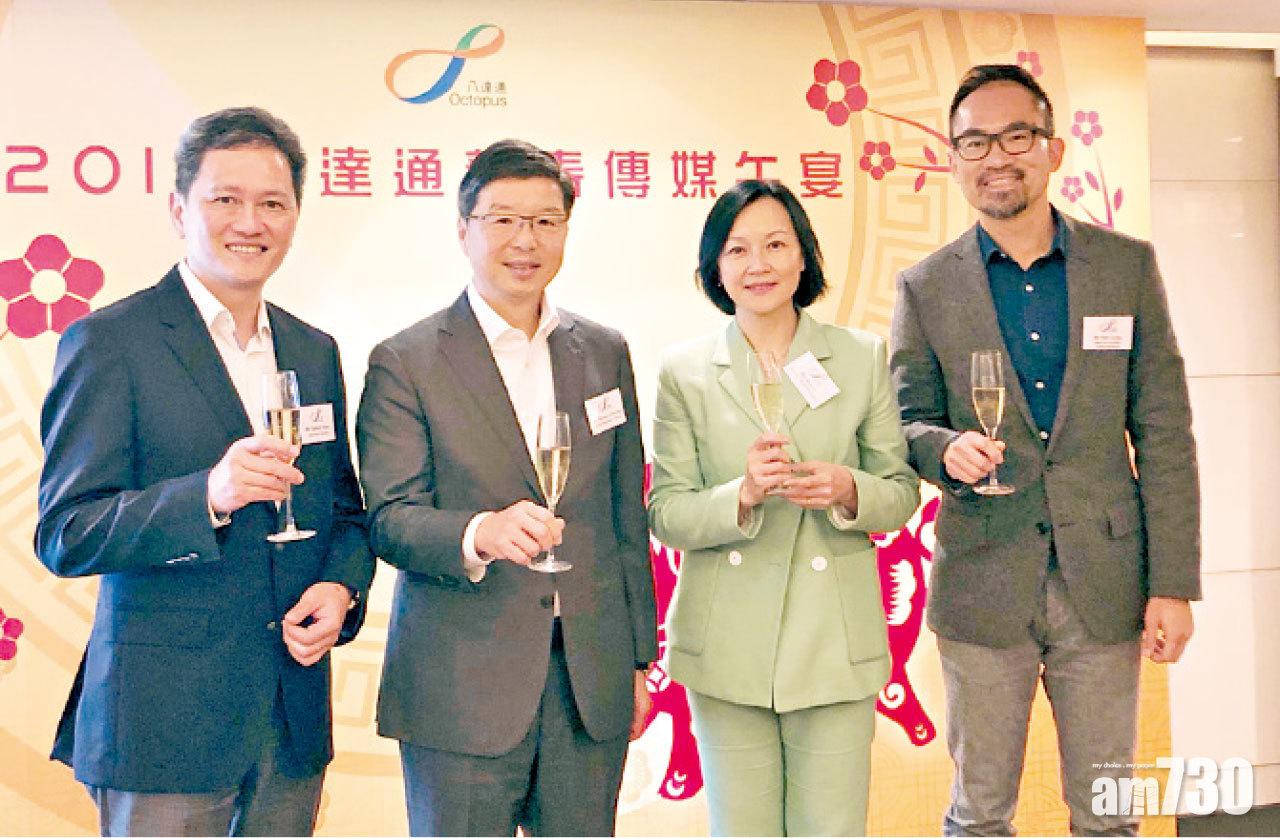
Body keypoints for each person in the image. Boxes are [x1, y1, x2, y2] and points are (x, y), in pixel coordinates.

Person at [35, 107, 374, 836]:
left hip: (289, 718)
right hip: (163, 726)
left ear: (295, 217)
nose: (250, 222)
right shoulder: (110, 342)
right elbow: (65, 532)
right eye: (226, 199)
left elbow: (346, 511)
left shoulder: (313, 350)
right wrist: (208, 497)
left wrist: (340, 589)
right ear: (179, 209)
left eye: (273, 203)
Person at [890, 64, 1201, 836]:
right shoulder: (926, 286)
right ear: (954, 161)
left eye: (1016, 136)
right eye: (974, 142)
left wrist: (1172, 584)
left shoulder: (1124, 268)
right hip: (982, 577)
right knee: (979, 814)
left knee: (1108, 815)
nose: (996, 156)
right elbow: (905, 423)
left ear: (1053, 149)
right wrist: (944, 450)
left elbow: (1164, 432)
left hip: (1105, 581)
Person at [356, 138, 657, 837]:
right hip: (460, 687)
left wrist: (639, 659)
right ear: (463, 230)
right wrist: (478, 533)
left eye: (546, 221)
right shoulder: (407, 360)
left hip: (588, 683)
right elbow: (390, 518)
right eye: (504, 220)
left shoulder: (603, 351)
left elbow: (624, 518)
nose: (526, 241)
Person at [648, 179, 920, 836]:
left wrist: (848, 489)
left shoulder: (859, 356)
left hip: (834, 641)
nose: (758, 265)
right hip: (726, 644)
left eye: (775, 245)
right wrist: (739, 496)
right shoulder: (685, 371)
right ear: (715, 268)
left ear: (804, 257)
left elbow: (900, 492)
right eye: (737, 250)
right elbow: (667, 512)